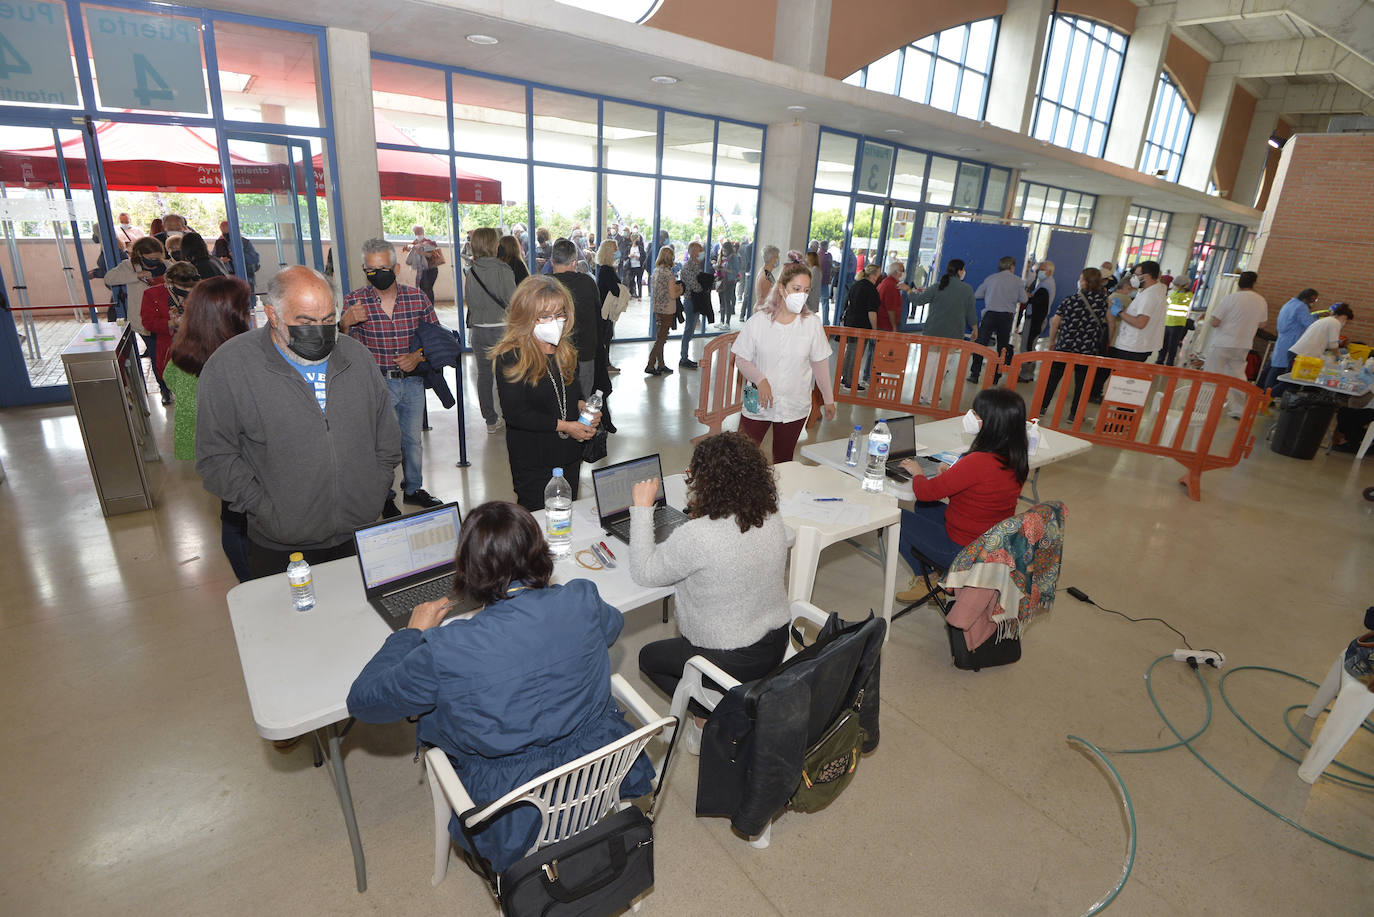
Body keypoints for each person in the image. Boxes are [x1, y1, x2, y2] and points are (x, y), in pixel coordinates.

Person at [346, 500, 654, 873]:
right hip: (597, 776)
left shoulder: (447, 649)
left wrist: (410, 634)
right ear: (539, 553)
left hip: (512, 811)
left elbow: (363, 701)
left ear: (468, 571)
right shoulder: (582, 597)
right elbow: (611, 627)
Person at [196, 266, 401, 579]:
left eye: (328, 320)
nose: (319, 331)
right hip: (281, 546)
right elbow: (215, 457)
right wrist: (266, 510)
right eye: (306, 322)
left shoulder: (356, 357)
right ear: (273, 315)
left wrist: (374, 491)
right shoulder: (231, 366)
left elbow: (386, 434)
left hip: (359, 534)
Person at [629, 432, 791, 735]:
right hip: (776, 643)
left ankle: (710, 714)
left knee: (648, 658)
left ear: (706, 481)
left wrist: (641, 509)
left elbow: (644, 571)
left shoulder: (700, 536)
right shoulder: (770, 514)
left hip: (731, 657)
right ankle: (721, 707)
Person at [341, 238, 444, 514]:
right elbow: (339, 348)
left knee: (412, 440)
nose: (377, 275)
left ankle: (413, 489)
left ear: (396, 269)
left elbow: (437, 339)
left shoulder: (416, 298)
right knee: (382, 443)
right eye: (370, 270)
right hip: (377, 384)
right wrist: (344, 324)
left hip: (412, 382)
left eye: (383, 268)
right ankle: (385, 495)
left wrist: (418, 356)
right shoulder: (354, 301)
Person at [163, 275, 253, 581]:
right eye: (246, 306)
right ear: (232, 315)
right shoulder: (237, 363)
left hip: (224, 476)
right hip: (246, 470)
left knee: (233, 517)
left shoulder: (183, 358)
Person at [895, 388, 1028, 594]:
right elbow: (981, 494)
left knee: (895, 518)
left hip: (962, 550)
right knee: (924, 508)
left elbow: (925, 491)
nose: (970, 416)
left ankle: (926, 579)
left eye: (976, 413)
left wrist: (918, 473)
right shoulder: (1015, 458)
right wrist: (951, 477)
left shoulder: (978, 461)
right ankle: (935, 570)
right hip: (987, 543)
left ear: (991, 423)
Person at [492, 275, 600, 510]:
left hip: (569, 454)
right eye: (545, 316)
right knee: (539, 521)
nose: (556, 322)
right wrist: (565, 426)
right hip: (533, 459)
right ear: (526, 318)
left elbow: (571, 394)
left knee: (566, 513)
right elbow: (515, 413)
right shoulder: (512, 357)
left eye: (560, 314)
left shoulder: (566, 351)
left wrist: (583, 409)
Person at [731, 260, 836, 463]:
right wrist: (760, 379)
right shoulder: (759, 321)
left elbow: (820, 365)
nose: (801, 295)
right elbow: (741, 358)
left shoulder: (811, 324)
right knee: (741, 457)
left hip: (794, 404)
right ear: (781, 288)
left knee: (783, 460)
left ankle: (781, 495)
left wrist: (828, 399)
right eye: (796, 288)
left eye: (806, 290)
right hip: (757, 401)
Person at [464, 227, 516, 435]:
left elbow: (471, 301)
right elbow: (513, 302)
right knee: (507, 376)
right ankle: (510, 415)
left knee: (484, 376)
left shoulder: (471, 271)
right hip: (502, 330)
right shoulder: (504, 270)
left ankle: (490, 420)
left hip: (479, 331)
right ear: (494, 245)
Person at [1039, 267, 1111, 419]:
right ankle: (1074, 414)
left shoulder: (1070, 300)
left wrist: (1052, 341)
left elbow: (1055, 322)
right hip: (1087, 349)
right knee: (1082, 383)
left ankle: (1042, 407)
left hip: (1065, 346)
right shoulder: (1103, 302)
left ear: (1084, 281)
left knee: (1053, 377)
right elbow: (1111, 323)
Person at [104, 237, 168, 403]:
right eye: (151, 258)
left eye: (157, 258)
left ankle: (170, 387)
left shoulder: (166, 265)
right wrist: (136, 275)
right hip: (144, 321)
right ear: (140, 254)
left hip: (166, 320)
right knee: (155, 355)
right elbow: (108, 278)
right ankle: (164, 389)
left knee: (167, 356)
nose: (155, 261)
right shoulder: (128, 266)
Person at [910, 259, 979, 403]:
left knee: (929, 362)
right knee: (943, 366)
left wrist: (908, 291)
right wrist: (974, 328)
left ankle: (920, 394)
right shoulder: (966, 289)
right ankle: (933, 395)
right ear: (960, 271)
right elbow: (971, 312)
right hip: (953, 334)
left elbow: (919, 301)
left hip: (933, 331)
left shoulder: (937, 286)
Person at [1203, 271, 1268, 419]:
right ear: (1254, 283)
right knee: (1238, 377)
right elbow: (1262, 324)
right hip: (1243, 344)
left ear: (1239, 283)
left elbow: (1215, 321)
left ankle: (1204, 406)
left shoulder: (1230, 298)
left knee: (1212, 375)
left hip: (1223, 343)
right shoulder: (1261, 300)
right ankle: (1238, 410)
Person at [141, 261, 201, 406]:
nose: (187, 292)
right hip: (171, 347)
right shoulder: (152, 294)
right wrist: (172, 324)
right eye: (182, 288)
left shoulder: (203, 290)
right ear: (169, 282)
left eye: (189, 288)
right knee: (183, 393)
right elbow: (148, 322)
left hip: (199, 348)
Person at [550, 238, 602, 396]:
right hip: (585, 351)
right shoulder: (588, 283)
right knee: (584, 398)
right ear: (574, 263)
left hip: (553, 354)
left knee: (558, 398)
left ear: (552, 261)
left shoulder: (544, 285)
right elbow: (597, 316)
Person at [968, 256, 1027, 383]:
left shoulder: (991, 279)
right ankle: (996, 376)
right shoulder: (1018, 281)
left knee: (981, 344)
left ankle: (975, 374)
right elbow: (1024, 299)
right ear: (1012, 266)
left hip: (990, 315)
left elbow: (977, 294)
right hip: (1006, 317)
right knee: (1002, 347)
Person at [1263, 288, 1320, 394]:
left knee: (1275, 367)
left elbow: (1296, 319)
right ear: (1310, 298)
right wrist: (1319, 321)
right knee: (1280, 372)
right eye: (1315, 300)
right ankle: (1268, 395)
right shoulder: (1301, 307)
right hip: (1291, 341)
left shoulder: (1291, 303)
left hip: (1283, 340)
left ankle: (1266, 394)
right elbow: (1309, 324)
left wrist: (1315, 315)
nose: (1314, 303)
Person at [1111, 260, 1168, 362]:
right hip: (1136, 345)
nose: (1134, 278)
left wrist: (1120, 312)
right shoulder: (1149, 290)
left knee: (1121, 377)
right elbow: (1139, 313)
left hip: (1133, 347)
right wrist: (1124, 309)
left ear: (1147, 276)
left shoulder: (1150, 295)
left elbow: (1140, 323)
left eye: (1136, 275)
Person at [840, 263, 882, 391]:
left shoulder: (856, 284)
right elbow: (872, 312)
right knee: (857, 353)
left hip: (851, 322)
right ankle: (851, 382)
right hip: (862, 325)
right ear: (874, 275)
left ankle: (845, 378)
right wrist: (874, 329)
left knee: (850, 351)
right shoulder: (871, 289)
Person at [646, 246, 682, 376]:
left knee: (660, 337)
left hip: (657, 308)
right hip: (667, 310)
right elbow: (672, 295)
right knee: (661, 339)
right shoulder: (669, 274)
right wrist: (681, 290)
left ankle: (661, 364)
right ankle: (650, 364)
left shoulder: (656, 271)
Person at [1017, 261, 1056, 380]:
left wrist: (1027, 298)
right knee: (1030, 345)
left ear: (1048, 271)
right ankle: (1028, 373)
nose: (1039, 271)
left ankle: (1026, 374)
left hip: (1035, 319)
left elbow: (1038, 302)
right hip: (1036, 318)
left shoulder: (1046, 285)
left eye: (1042, 269)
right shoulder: (1046, 282)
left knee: (1027, 346)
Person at [1289, 302, 1354, 363]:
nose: (1344, 322)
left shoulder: (1327, 320)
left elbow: (1328, 343)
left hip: (1299, 353)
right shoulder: (1335, 322)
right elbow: (1333, 344)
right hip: (1302, 355)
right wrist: (1339, 356)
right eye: (1345, 319)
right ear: (1343, 316)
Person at [594, 239, 621, 377]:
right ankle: (605, 364)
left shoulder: (606, 269)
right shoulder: (606, 270)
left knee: (607, 336)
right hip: (606, 309)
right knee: (605, 337)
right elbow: (615, 290)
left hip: (607, 308)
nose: (617, 252)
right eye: (615, 250)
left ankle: (605, 363)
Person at [678, 241, 706, 369]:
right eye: (699, 250)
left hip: (696, 300)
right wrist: (704, 287)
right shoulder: (688, 267)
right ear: (693, 252)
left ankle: (685, 357)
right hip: (690, 301)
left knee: (691, 329)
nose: (701, 253)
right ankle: (684, 358)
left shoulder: (695, 265)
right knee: (689, 329)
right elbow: (694, 285)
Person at [213, 220, 261, 290]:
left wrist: (239, 256)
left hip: (244, 277)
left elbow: (255, 258)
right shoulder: (219, 243)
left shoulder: (245, 243)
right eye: (224, 233)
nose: (226, 236)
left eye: (228, 233)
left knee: (248, 300)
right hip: (227, 279)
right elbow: (213, 259)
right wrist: (221, 261)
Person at [1157, 276, 1194, 366]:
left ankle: (1170, 362)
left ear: (1183, 285)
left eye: (1176, 285)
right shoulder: (1174, 293)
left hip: (1178, 323)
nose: (1175, 286)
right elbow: (1166, 302)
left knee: (1173, 344)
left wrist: (1179, 293)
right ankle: (1160, 360)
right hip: (1168, 321)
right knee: (1163, 343)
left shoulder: (1188, 295)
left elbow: (1183, 301)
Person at [402, 226, 441, 305]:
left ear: (423, 232)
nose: (417, 234)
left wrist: (422, 253)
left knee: (428, 289)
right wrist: (410, 247)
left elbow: (435, 255)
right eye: (416, 233)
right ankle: (425, 307)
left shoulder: (429, 243)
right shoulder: (415, 243)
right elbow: (406, 248)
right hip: (421, 271)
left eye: (419, 232)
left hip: (431, 269)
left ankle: (430, 307)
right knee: (422, 288)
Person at [752, 244, 780, 322]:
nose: (778, 259)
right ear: (772, 259)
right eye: (777, 257)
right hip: (763, 312)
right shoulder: (765, 276)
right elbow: (767, 298)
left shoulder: (766, 272)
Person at [715, 240, 739, 329]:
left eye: (725, 250)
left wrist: (725, 269)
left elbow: (736, 271)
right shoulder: (723, 257)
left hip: (729, 282)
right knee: (721, 302)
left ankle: (727, 323)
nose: (724, 252)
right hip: (721, 280)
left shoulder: (734, 257)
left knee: (727, 301)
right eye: (723, 250)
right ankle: (721, 321)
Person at [876, 260, 905, 332]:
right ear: (896, 272)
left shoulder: (885, 282)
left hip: (881, 323)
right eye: (902, 271)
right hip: (886, 325)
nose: (903, 273)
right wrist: (894, 326)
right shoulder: (892, 286)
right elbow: (891, 309)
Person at [625, 232, 646, 298]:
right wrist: (629, 256)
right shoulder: (629, 247)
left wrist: (638, 258)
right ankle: (631, 293)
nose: (638, 240)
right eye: (637, 239)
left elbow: (644, 256)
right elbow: (624, 256)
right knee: (631, 280)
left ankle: (640, 295)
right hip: (631, 266)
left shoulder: (640, 248)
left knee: (639, 281)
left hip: (639, 267)